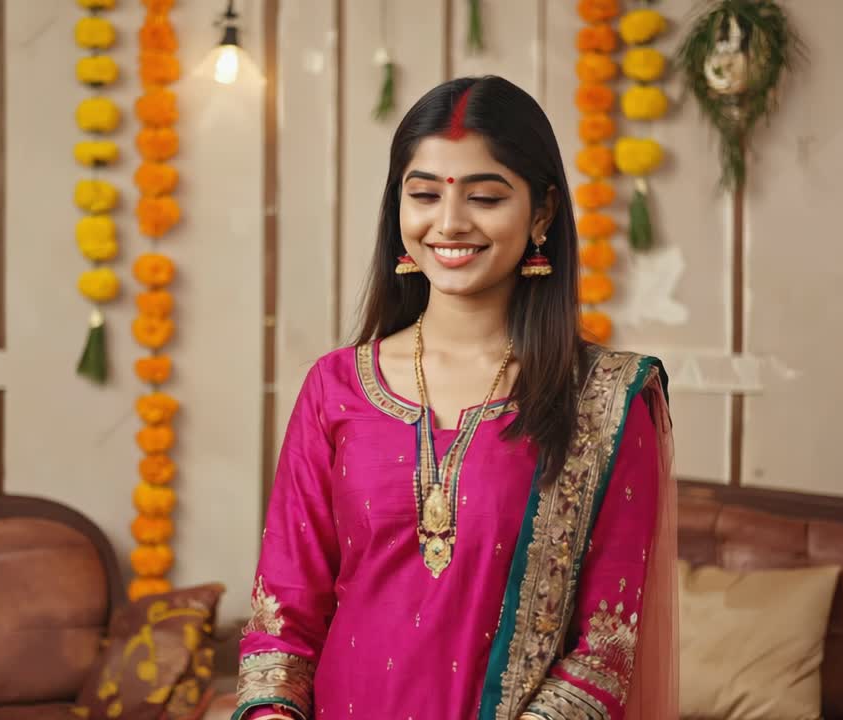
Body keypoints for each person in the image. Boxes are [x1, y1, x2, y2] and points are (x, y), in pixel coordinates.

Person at [233, 75, 677, 720]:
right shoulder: (335, 387)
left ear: (543, 212)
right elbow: (283, 618)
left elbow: (603, 647)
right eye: (423, 195)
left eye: (485, 197)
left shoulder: (605, 400)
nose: (449, 223)